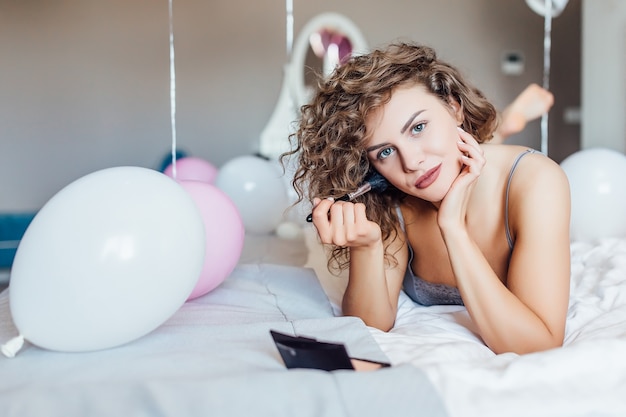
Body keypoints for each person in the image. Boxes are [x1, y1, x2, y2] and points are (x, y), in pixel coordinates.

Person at [282, 42, 570, 355]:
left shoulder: (536, 181)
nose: (411, 162)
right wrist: (367, 247)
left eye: (418, 127)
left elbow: (538, 343)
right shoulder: (389, 199)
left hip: (497, 171)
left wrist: (453, 229)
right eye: (385, 152)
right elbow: (370, 324)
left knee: (473, 153)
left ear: (454, 107)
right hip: (442, 164)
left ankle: (506, 121)